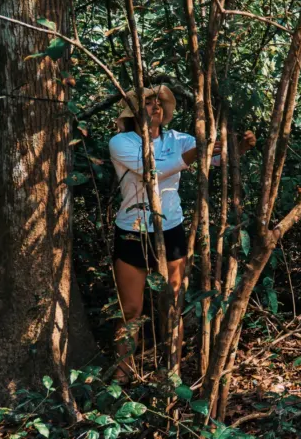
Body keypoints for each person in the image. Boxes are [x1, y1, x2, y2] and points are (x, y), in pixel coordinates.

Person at [109, 85, 255, 381]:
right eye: (148, 102)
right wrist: (194, 153)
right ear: (133, 111)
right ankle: (123, 373)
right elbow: (153, 171)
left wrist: (239, 148)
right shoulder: (121, 142)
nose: (155, 107)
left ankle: (171, 370)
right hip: (132, 231)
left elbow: (214, 158)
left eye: (159, 103)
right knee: (132, 310)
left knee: (172, 301)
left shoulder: (178, 140)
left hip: (171, 228)